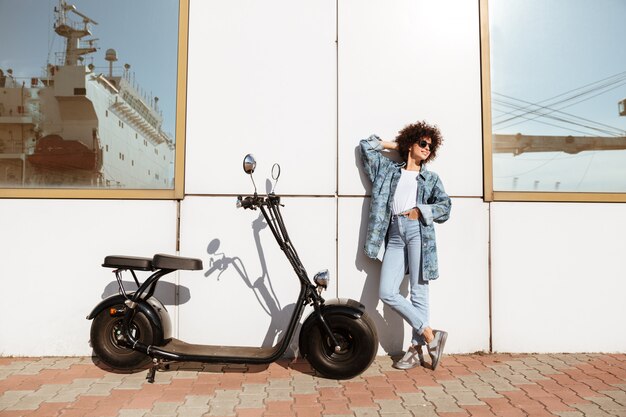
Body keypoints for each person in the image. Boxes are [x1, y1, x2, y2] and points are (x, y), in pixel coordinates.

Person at [359, 121, 451, 370]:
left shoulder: (430, 178)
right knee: (387, 292)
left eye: (430, 146)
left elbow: (445, 207)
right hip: (394, 234)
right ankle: (431, 335)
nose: (427, 149)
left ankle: (414, 349)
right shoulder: (387, 171)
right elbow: (366, 146)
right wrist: (396, 145)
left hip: (418, 231)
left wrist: (420, 210)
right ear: (410, 143)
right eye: (422, 143)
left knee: (419, 291)